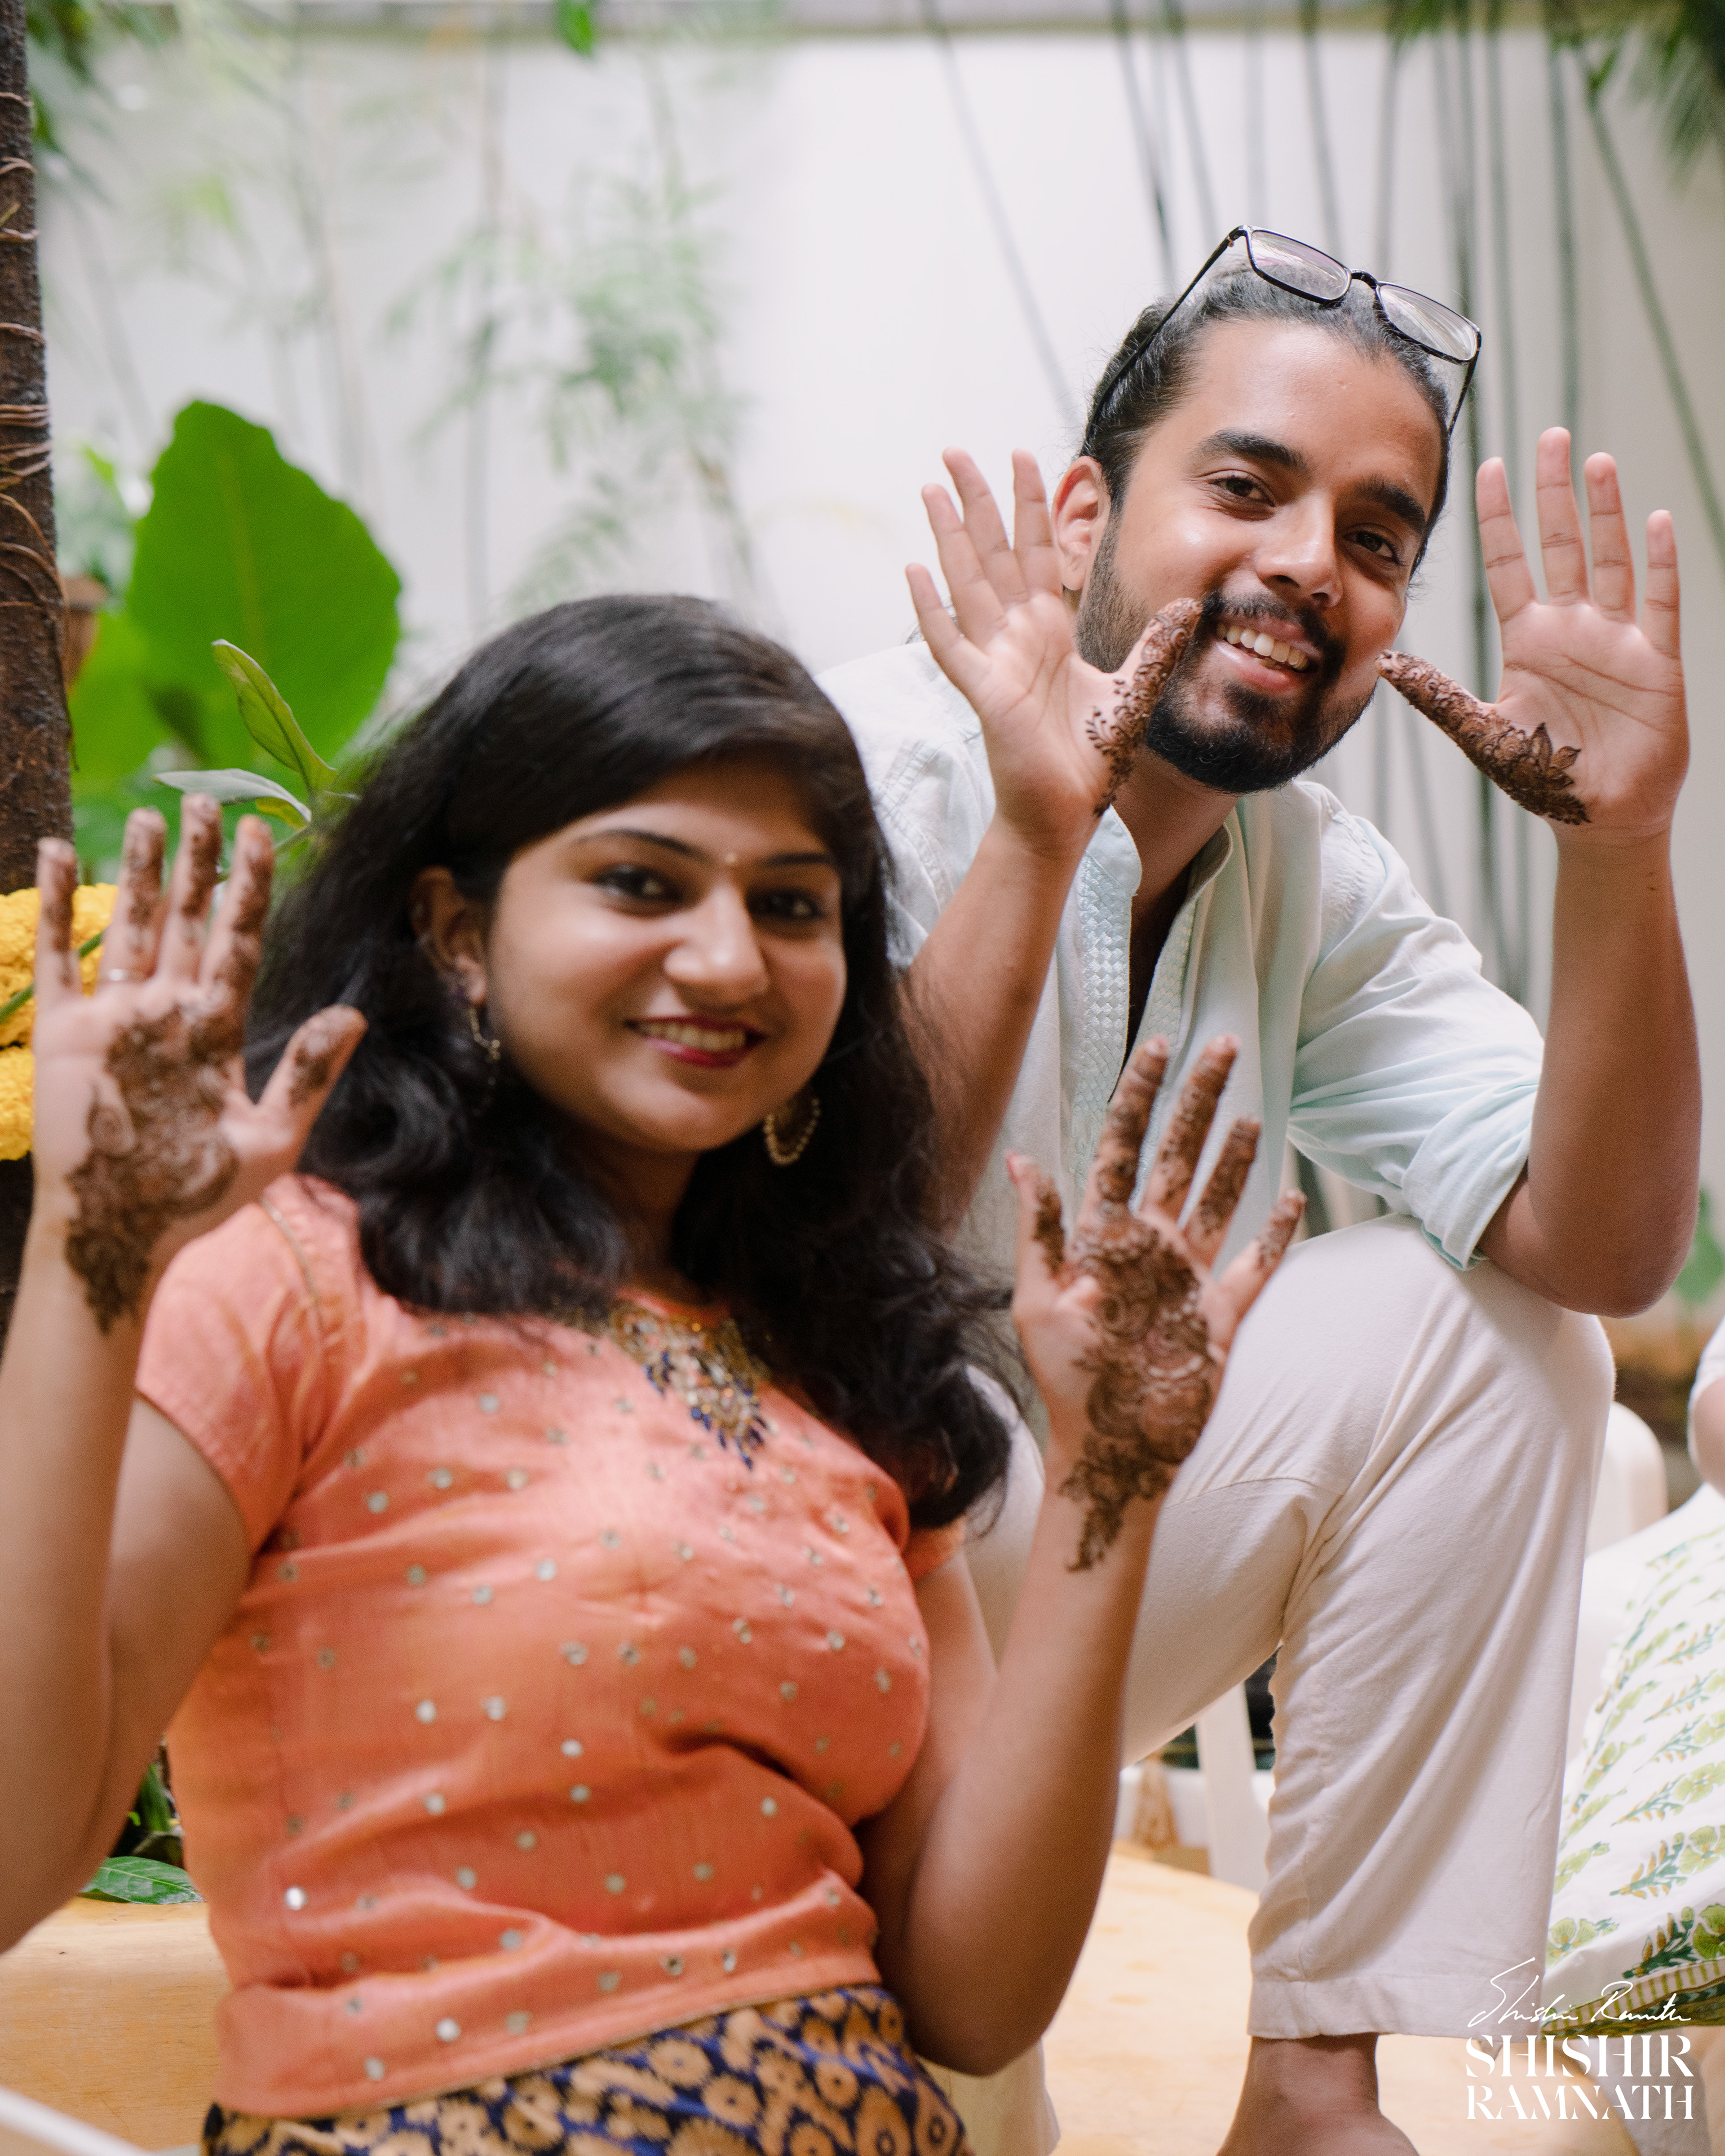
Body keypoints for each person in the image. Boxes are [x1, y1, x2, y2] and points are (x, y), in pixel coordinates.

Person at [0, 596, 1301, 2156]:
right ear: (455, 932)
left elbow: (973, 1997)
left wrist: (1113, 1485)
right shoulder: (296, 1281)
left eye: (796, 905)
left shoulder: (837, 1355)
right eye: (641, 883)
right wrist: (97, 1259)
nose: (725, 957)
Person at [818, 228, 1699, 2152]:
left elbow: (1606, 1242)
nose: (1314, 560)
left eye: (1377, 539)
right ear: (1079, 521)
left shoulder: (1308, 869)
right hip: (796, 1603)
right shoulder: (855, 772)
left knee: (1490, 1336)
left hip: (1050, 1560)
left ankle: (1315, 2090)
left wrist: (1623, 847)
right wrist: (1040, 832)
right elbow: (828, 1282)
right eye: (1246, 486)